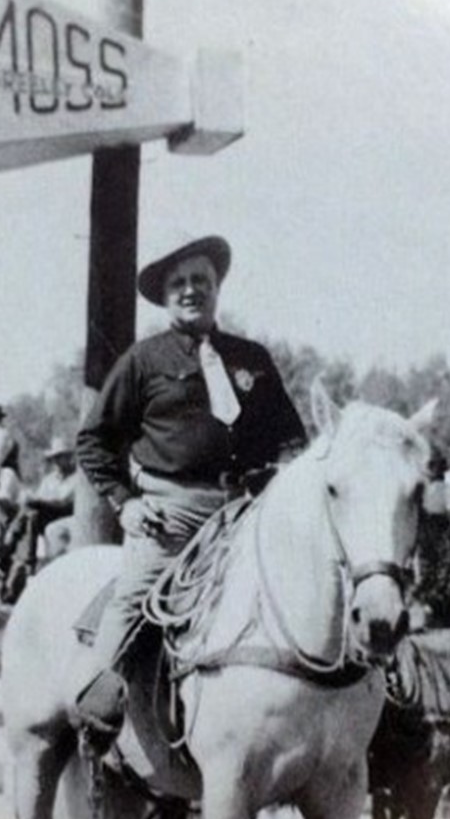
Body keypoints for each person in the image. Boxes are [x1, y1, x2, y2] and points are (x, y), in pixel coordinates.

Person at [70, 235, 308, 745]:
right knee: (134, 598)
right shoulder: (142, 361)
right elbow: (93, 440)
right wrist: (124, 503)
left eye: (201, 280)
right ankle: (96, 709)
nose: (190, 290)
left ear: (217, 288)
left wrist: (284, 472)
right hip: (170, 514)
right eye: (178, 283)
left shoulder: (252, 358)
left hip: (247, 513)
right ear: (164, 298)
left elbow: (291, 436)